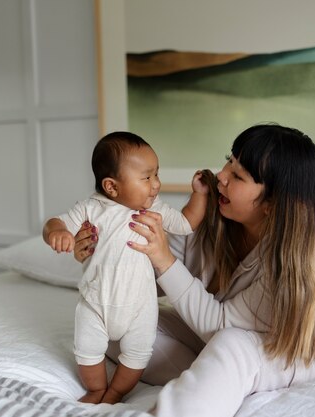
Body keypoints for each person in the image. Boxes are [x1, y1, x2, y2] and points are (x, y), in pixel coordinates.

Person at [73, 123, 315, 417]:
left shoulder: (294, 261)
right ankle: (212, 375)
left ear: (271, 204)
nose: (222, 176)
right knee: (116, 317)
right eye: (229, 160)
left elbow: (220, 325)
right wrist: (102, 253)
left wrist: (165, 260)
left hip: (281, 353)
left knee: (231, 342)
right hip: (213, 336)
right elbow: (145, 278)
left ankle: (203, 386)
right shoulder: (209, 216)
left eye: (237, 176)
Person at [42, 131, 208, 404]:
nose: (156, 184)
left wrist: (199, 194)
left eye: (156, 174)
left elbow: (186, 223)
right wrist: (58, 234)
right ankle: (96, 390)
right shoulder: (91, 208)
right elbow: (55, 222)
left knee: (137, 355)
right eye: (146, 177)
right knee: (87, 350)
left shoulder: (155, 209)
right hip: (96, 301)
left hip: (139, 306)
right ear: (112, 187)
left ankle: (117, 392)